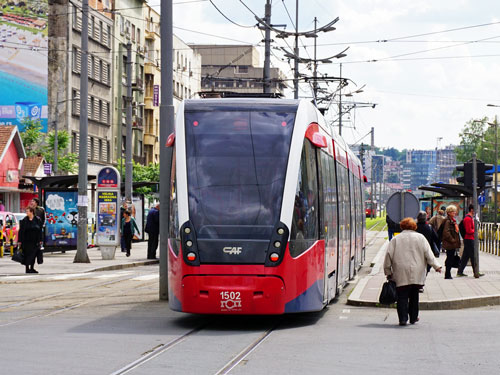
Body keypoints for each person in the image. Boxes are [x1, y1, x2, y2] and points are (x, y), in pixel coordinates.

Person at [384, 217, 442, 326]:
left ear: (402, 226)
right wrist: (437, 266)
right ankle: (414, 317)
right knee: (414, 295)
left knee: (402, 296)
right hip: (417, 271)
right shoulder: (420, 238)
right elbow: (429, 254)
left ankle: (403, 318)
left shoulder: (396, 239)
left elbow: (388, 256)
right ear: (414, 227)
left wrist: (388, 271)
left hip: (400, 271)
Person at [458, 204, 483, 278]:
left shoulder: (470, 218)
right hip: (469, 239)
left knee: (465, 256)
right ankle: (476, 271)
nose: (476, 211)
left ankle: (460, 271)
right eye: (475, 209)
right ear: (472, 210)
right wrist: (475, 230)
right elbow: (469, 230)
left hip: (469, 238)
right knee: (473, 256)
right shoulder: (468, 219)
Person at [18, 207, 42, 274]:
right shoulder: (24, 220)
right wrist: (20, 240)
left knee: (33, 255)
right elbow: (21, 231)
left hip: (35, 241)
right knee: (26, 255)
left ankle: (32, 268)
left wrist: (40, 239)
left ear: (31, 212)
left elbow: (40, 230)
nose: (26, 213)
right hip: (26, 241)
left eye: (27, 211)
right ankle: (27, 268)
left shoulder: (37, 220)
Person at [441, 205, 461, 280]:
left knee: (450, 257)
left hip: (451, 243)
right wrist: (452, 240)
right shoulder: (448, 221)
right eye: (453, 211)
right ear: (449, 213)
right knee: (450, 258)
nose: (455, 213)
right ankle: (447, 274)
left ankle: (448, 273)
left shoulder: (452, 220)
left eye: (455, 211)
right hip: (450, 243)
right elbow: (446, 232)